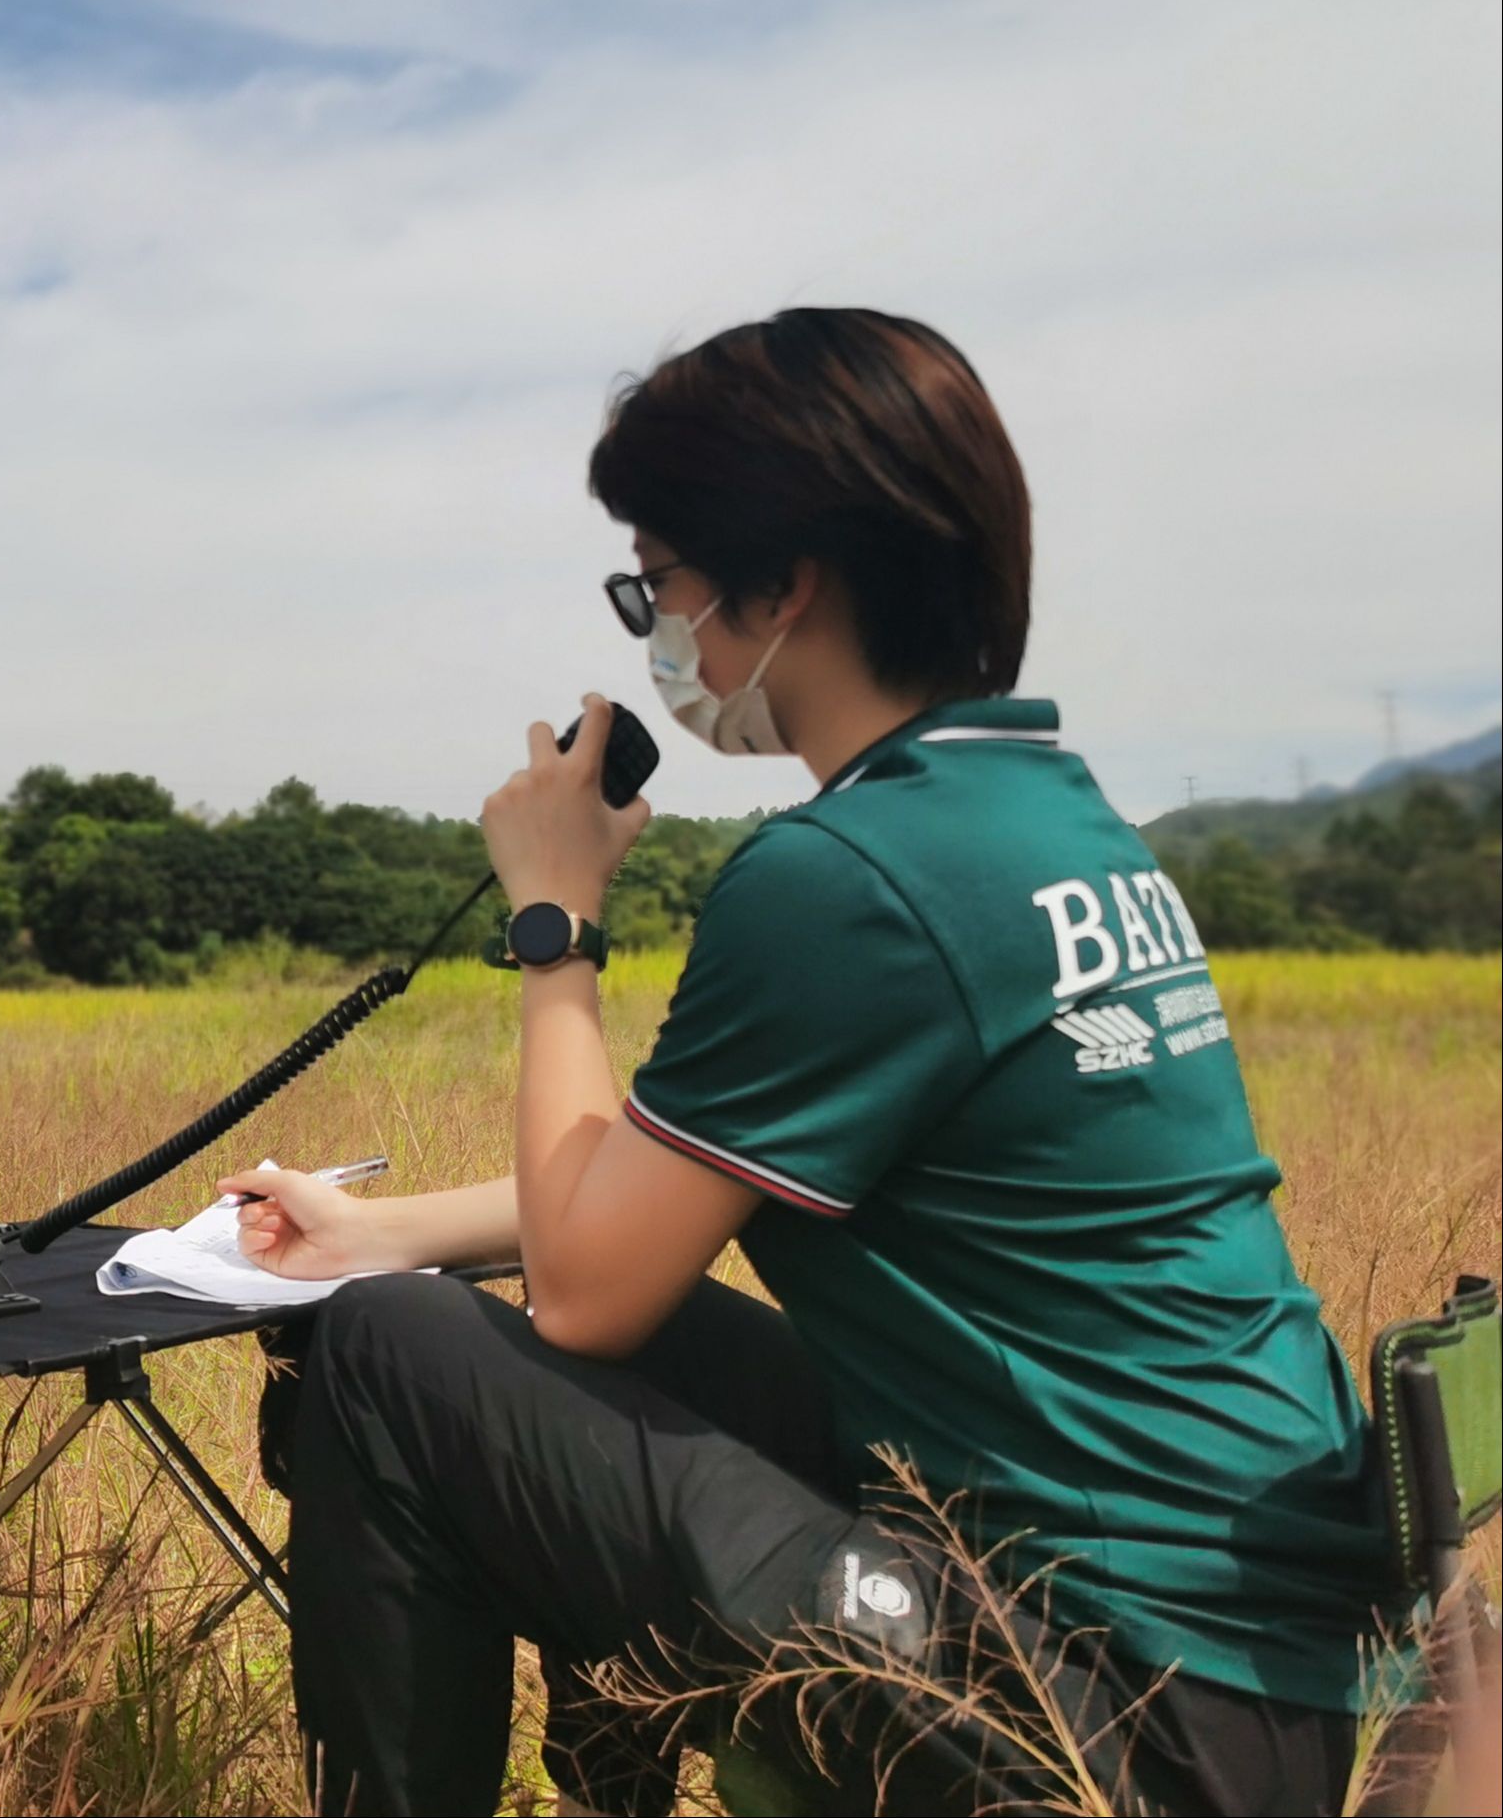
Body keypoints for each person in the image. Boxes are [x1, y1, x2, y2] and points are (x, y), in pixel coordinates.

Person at [225, 309, 1385, 1817]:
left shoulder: (847, 877)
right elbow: (663, 1176)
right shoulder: (1043, 815)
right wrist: (376, 1230)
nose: (664, 637)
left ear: (785, 584)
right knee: (462, 1308)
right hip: (1252, 1671)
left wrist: (556, 925)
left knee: (387, 1357)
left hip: (1103, 1708)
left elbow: (584, 1284)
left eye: (665, 583)